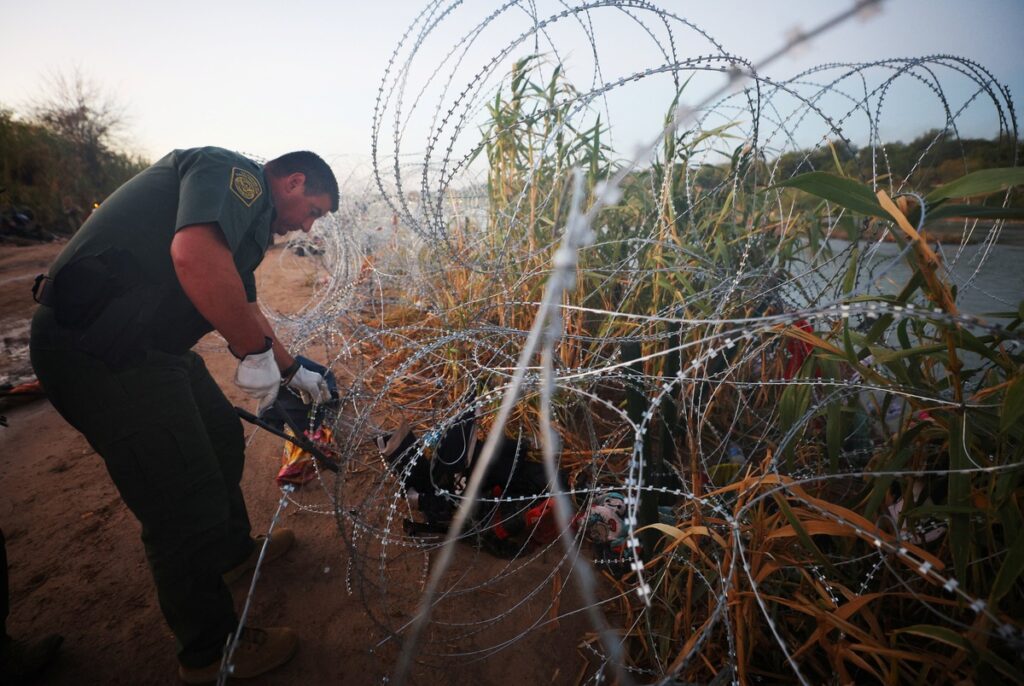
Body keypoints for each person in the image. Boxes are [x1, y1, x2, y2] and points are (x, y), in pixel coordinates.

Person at [28, 147, 339, 683]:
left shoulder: (240, 226)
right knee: (180, 501)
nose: (307, 224)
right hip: (101, 356)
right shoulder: (233, 175)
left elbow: (244, 307)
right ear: (291, 182)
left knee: (219, 436)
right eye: (312, 208)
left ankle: (230, 553)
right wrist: (253, 354)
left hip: (152, 352)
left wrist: (292, 371)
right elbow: (193, 257)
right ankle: (210, 651)